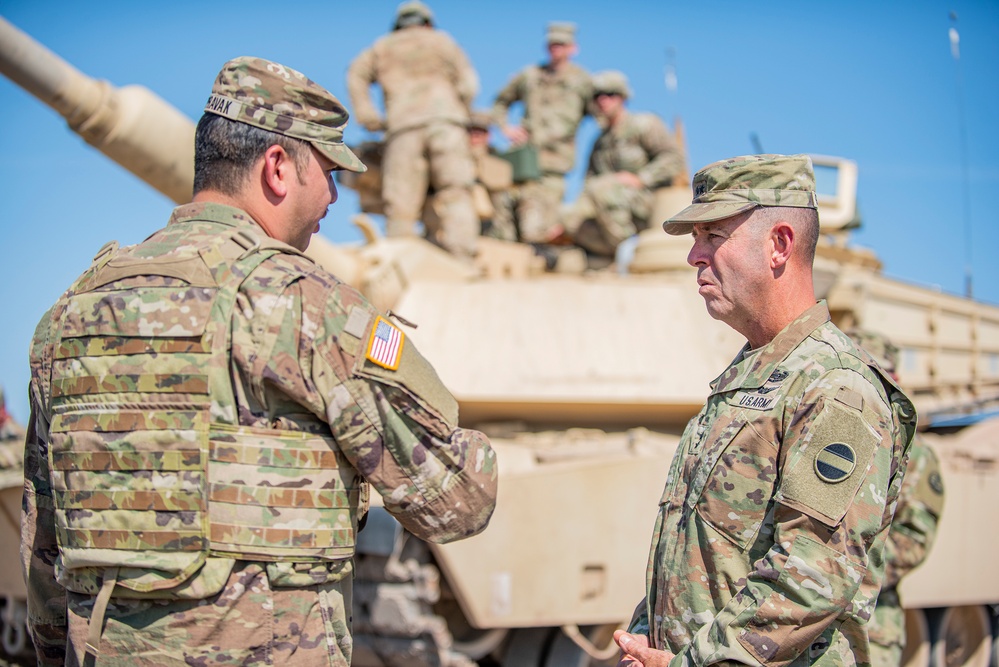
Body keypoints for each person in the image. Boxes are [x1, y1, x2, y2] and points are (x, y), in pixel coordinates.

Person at [21, 56, 498, 667]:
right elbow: (457, 500)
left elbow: (45, 542)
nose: (333, 194)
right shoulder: (305, 304)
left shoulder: (72, 311)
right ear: (278, 167)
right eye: (329, 171)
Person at [613, 154, 916, 667]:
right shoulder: (747, 379)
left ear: (779, 245)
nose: (694, 256)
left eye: (713, 235)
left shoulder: (836, 386)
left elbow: (811, 575)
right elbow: (699, 549)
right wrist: (648, 639)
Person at [346, 0, 480, 259]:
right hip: (446, 123)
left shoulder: (382, 46)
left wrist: (368, 116)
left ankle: (400, 262)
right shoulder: (443, 41)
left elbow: (355, 74)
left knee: (401, 202)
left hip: (403, 126)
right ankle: (462, 258)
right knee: (455, 191)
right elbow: (469, 84)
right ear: (427, 22)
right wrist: (459, 110)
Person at [847, 330, 944, 667]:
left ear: (895, 379)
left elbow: (914, 538)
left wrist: (847, 575)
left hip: (872, 624)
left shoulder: (915, 454)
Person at [561, 70, 685, 258]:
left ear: (622, 98)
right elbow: (589, 183)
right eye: (597, 96)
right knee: (567, 217)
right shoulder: (599, 141)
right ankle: (614, 255)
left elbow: (674, 158)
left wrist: (641, 178)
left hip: (646, 201)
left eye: (610, 94)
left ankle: (631, 254)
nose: (603, 101)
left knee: (602, 190)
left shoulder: (644, 125)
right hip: (609, 205)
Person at [492, 21, 593, 244]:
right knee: (507, 216)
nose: (555, 48)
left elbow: (602, 116)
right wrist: (506, 128)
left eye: (561, 44)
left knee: (543, 227)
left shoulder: (582, 81)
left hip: (555, 166)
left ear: (572, 48)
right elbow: (500, 102)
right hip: (524, 160)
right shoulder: (529, 76)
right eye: (552, 44)